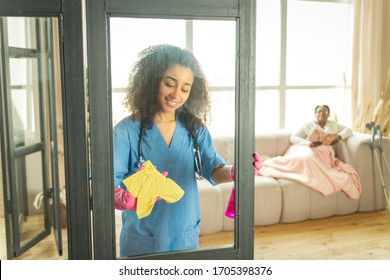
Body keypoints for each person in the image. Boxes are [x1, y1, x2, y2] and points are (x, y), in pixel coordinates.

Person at [113, 44, 260, 257]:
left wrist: (236, 172)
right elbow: (102, 185)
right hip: (142, 238)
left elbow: (213, 169)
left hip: (184, 234)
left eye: (185, 88)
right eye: (169, 84)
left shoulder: (195, 128)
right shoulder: (126, 131)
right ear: (152, 81)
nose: (176, 94)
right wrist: (121, 198)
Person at [258, 104, 362, 199]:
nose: (322, 114)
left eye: (325, 112)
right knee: (307, 158)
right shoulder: (308, 125)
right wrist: (308, 144)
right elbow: (293, 137)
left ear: (328, 114)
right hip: (306, 148)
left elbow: (349, 130)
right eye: (319, 112)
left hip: (324, 153)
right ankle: (269, 164)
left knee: (311, 160)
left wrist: (339, 137)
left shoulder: (333, 125)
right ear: (315, 114)